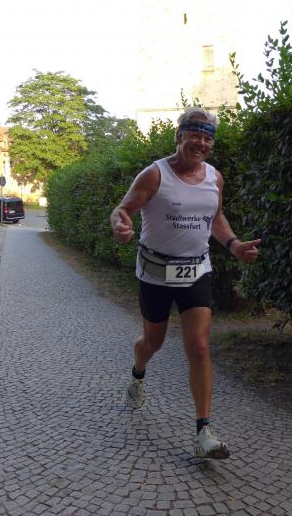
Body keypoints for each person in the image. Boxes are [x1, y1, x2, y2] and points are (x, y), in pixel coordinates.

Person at [110, 107, 261, 459]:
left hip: (196, 270)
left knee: (200, 347)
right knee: (153, 342)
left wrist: (234, 244)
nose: (201, 144)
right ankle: (138, 371)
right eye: (195, 136)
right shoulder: (154, 174)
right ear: (179, 137)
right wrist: (120, 224)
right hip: (156, 272)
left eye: (208, 139)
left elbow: (215, 216)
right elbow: (123, 209)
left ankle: (204, 431)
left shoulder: (214, 178)